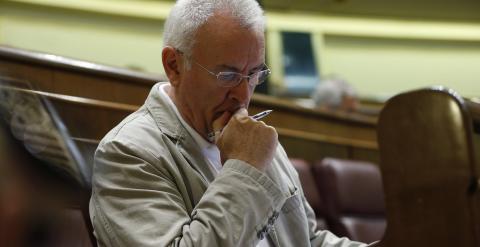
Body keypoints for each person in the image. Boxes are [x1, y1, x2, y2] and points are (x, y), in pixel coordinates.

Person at [89, 0, 367, 246]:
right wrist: (245, 168)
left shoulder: (255, 139)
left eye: (255, 74)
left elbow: (307, 240)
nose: (244, 95)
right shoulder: (127, 153)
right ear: (174, 65)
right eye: (228, 75)